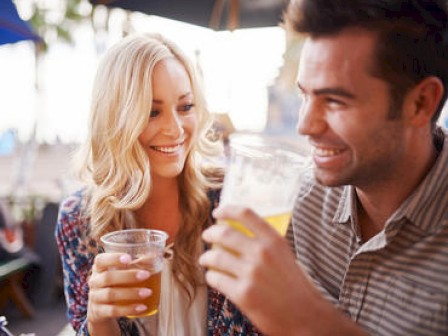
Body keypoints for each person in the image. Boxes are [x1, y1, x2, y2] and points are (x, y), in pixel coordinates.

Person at [199, 0, 448, 335]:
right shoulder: (299, 201)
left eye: (334, 101)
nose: (305, 125)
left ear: (421, 103)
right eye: (305, 96)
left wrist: (309, 320)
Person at [55, 33, 259, 335]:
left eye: (185, 106)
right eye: (153, 112)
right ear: (115, 119)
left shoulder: (229, 199)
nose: (175, 129)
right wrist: (98, 319)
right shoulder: (79, 219)